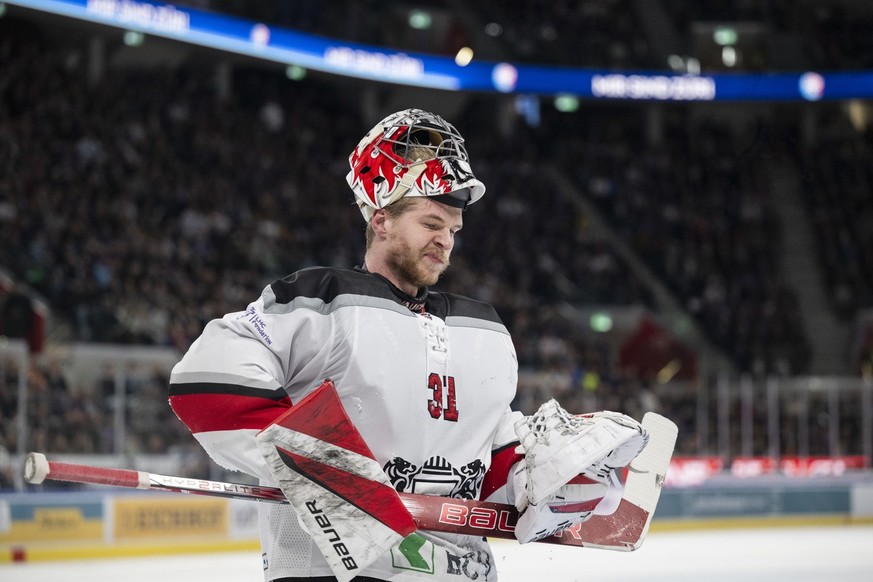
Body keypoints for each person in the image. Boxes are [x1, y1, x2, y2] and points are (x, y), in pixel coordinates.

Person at [169, 109, 648, 581]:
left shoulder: (485, 328)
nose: (446, 241)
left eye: (454, 230)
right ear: (381, 220)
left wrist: (553, 479)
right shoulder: (318, 301)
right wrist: (333, 475)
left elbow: (488, 463)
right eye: (432, 223)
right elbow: (208, 384)